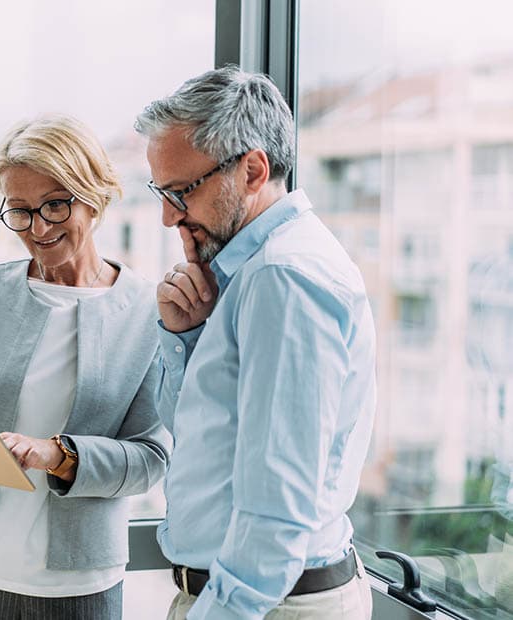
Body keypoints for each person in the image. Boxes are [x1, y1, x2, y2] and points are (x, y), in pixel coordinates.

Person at [0, 114, 169, 619]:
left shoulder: (148, 312)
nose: (39, 227)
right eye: (20, 211)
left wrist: (59, 455)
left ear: (94, 196)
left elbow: (151, 459)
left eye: (54, 204)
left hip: (76, 591)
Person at [134, 66, 377, 619]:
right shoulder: (249, 275)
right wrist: (185, 336)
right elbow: (202, 432)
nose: (169, 215)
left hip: (265, 606)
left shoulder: (283, 278)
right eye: (160, 192)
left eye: (181, 192)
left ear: (252, 169)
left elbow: (279, 509)